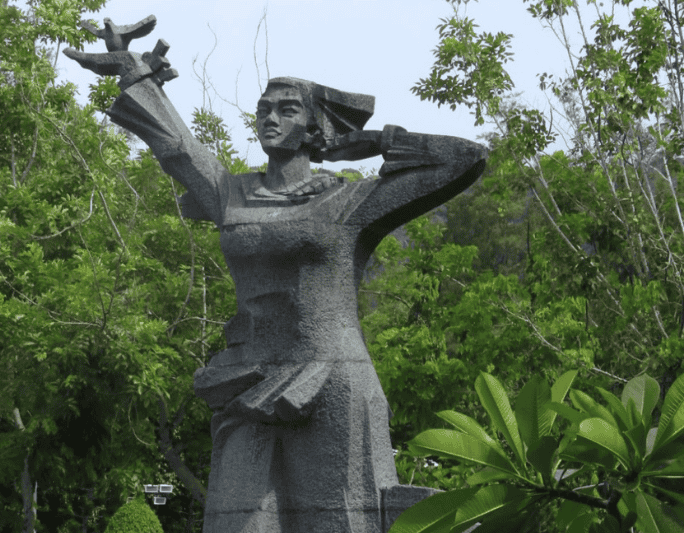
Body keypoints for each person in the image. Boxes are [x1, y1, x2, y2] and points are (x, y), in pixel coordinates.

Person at [65, 18, 486, 533]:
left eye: (287, 110)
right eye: (263, 109)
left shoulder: (348, 199)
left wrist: (370, 142)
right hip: (249, 381)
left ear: (315, 128)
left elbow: (464, 158)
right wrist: (133, 71)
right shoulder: (230, 194)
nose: (269, 118)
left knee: (341, 523)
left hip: (333, 378)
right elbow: (175, 146)